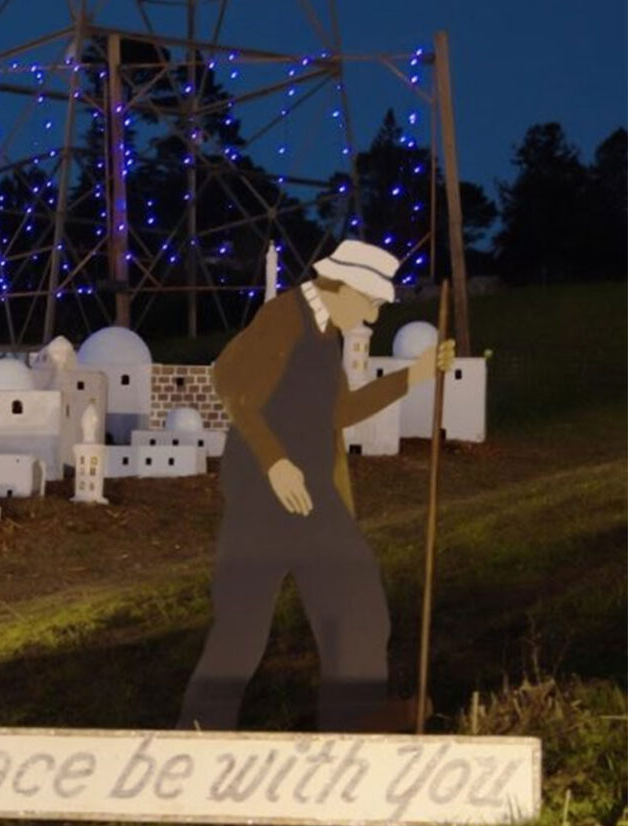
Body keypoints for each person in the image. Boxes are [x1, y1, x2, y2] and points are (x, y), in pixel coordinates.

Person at [179, 239, 454, 732]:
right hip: (263, 499)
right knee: (242, 628)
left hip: (311, 498)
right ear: (342, 287)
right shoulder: (284, 317)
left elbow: (338, 413)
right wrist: (275, 462)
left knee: (357, 602)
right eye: (370, 302)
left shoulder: (326, 335)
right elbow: (232, 383)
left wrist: (412, 376)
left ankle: (355, 724)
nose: (372, 317)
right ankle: (198, 736)